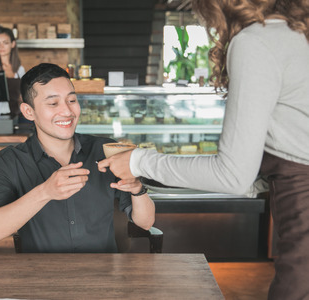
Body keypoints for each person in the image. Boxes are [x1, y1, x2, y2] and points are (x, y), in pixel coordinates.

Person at [98, 1, 309, 299]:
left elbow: (233, 175)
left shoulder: (256, 41)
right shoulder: (296, 31)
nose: (201, 16)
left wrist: (139, 160)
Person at [0, 63, 155, 253]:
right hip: (44, 277)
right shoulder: (11, 160)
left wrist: (137, 190)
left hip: (103, 276)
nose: (67, 111)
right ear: (29, 112)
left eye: (72, 100)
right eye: (53, 103)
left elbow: (145, 222)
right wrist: (45, 192)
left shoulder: (106, 150)